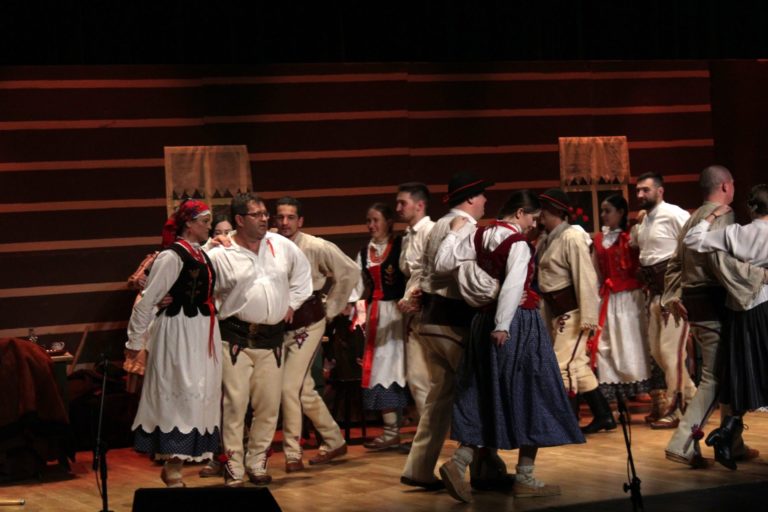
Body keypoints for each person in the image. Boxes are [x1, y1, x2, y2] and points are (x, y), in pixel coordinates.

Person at [438, 190, 584, 502]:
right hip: (517, 325)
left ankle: (459, 462)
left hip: (481, 321)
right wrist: (503, 324)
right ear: (519, 213)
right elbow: (515, 285)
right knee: (534, 393)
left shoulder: (475, 235)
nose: (534, 224)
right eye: (533, 217)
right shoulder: (518, 243)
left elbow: (443, 264)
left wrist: (452, 236)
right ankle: (525, 477)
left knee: (486, 392)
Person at [401, 171, 509, 492]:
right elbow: (466, 275)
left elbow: (422, 270)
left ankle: (419, 467)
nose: (486, 200)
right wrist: (500, 293)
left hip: (430, 322)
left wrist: (414, 296)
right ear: (472, 197)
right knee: (481, 391)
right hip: (453, 323)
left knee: (439, 397)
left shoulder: (437, 225)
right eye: (483, 194)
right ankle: (483, 467)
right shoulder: (465, 228)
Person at [206, 193, 312, 486]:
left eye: (266, 213)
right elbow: (198, 277)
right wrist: (209, 244)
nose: (266, 219)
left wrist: (292, 303)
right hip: (235, 338)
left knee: (268, 405)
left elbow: (303, 277)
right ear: (240, 220)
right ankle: (233, 465)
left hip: (271, 339)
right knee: (235, 404)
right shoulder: (221, 253)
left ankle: (257, 461)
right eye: (257, 214)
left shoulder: (280, 245)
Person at [663, 166, 765, 468]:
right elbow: (722, 264)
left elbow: (675, 263)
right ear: (725, 186)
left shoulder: (694, 216)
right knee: (716, 377)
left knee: (727, 374)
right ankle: (682, 442)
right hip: (713, 304)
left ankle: (733, 443)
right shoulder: (723, 216)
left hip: (697, 304)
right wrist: (760, 276)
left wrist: (673, 295)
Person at [125, 199, 221, 488]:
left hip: (202, 330)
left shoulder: (201, 253)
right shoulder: (171, 256)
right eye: (204, 222)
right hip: (178, 331)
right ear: (189, 224)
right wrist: (135, 341)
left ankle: (175, 466)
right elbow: (148, 301)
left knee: (199, 393)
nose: (209, 227)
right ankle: (173, 466)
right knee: (180, 393)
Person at [274, 196, 358, 471]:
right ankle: (333, 440)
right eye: (280, 217)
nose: (285, 222)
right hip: (280, 325)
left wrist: (331, 308)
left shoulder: (315, 246)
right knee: (303, 389)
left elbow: (349, 270)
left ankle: (292, 452)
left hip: (308, 323)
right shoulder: (270, 244)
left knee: (289, 387)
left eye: (290, 217)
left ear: (300, 221)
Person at [536, 188, 615, 434]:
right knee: (577, 365)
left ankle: (567, 422)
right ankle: (604, 415)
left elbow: (585, 277)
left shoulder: (572, 237)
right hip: (557, 312)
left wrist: (588, 318)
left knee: (561, 365)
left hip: (573, 312)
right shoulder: (547, 239)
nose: (540, 215)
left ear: (556, 211)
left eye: (545, 210)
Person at [631, 172, 695, 428]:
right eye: (638, 190)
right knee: (658, 352)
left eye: (645, 190)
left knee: (671, 352)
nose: (640, 195)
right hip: (655, 293)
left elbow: (694, 244)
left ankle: (675, 408)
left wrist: (686, 288)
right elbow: (637, 246)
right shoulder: (644, 220)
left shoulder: (674, 214)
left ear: (660, 191)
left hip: (674, 293)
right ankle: (693, 397)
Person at [351, 202, 409, 451]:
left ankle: (419, 432)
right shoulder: (365, 252)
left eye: (376, 220)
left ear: (389, 222)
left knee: (407, 369)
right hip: (378, 316)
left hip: (402, 314)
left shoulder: (402, 246)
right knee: (382, 371)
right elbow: (355, 286)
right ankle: (390, 431)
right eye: (368, 220)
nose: (371, 225)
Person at [590, 194, 651, 400]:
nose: (603, 215)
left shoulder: (631, 236)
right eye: (602, 211)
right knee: (607, 343)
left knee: (631, 341)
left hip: (630, 298)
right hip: (609, 297)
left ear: (621, 212)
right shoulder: (599, 240)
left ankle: (637, 386)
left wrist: (644, 220)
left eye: (607, 211)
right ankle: (613, 390)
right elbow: (596, 273)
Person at [394, 182, 435, 452]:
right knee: (418, 377)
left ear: (419, 205)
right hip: (414, 314)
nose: (398, 208)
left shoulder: (431, 231)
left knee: (431, 377)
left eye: (403, 203)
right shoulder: (408, 235)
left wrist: (415, 297)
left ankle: (433, 435)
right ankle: (427, 435)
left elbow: (431, 271)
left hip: (430, 311)